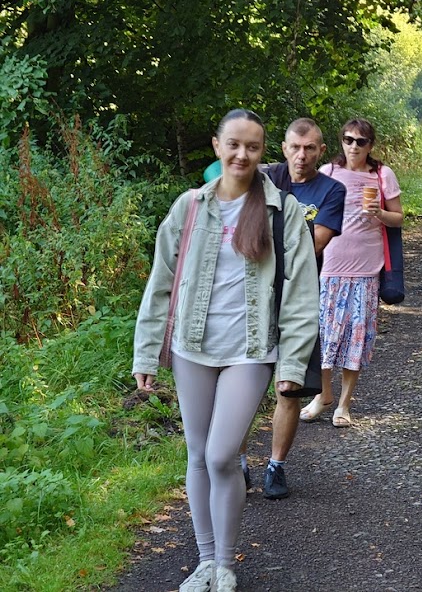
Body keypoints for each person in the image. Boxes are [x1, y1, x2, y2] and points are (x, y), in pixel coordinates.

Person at [132, 109, 319, 592]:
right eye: (233, 145)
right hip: (191, 347)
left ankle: (227, 562)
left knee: (220, 455)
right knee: (197, 454)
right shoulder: (189, 207)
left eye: (252, 147)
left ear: (263, 153)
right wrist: (146, 352)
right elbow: (161, 283)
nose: (242, 155)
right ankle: (206, 561)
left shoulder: (284, 212)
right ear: (217, 145)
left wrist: (293, 364)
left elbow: (300, 295)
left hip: (250, 351)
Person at [254, 118, 346, 501]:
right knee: (244, 386)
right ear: (284, 147)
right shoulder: (265, 177)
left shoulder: (332, 191)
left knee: (288, 389)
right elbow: (219, 181)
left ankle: (276, 465)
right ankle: (240, 462)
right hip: (254, 298)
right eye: (294, 147)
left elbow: (313, 246)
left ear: (321, 151)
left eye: (309, 148)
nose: (301, 155)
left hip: (300, 299)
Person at [299, 118, 403, 428]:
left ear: (371, 145)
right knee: (327, 335)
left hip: (367, 268)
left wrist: (380, 213)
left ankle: (344, 403)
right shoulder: (328, 173)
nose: (353, 146)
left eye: (360, 141)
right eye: (348, 139)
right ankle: (324, 394)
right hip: (330, 265)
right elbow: (308, 209)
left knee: (357, 336)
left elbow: (398, 218)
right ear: (340, 142)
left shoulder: (382, 175)